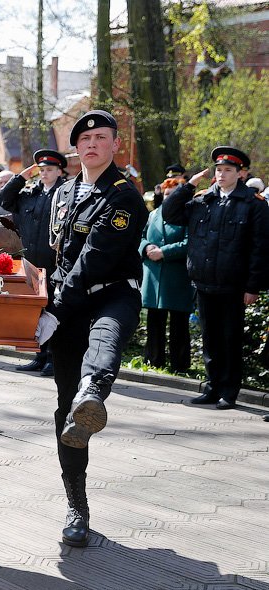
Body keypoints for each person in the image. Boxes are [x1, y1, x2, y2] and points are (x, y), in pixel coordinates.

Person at [36, 110, 148, 547]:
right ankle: (76, 505)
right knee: (66, 410)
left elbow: (93, 260)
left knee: (104, 342)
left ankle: (93, 393)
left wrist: (55, 310)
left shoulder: (124, 196)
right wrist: (33, 299)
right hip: (69, 302)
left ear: (115, 144)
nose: (92, 144)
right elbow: (54, 256)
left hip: (111, 295)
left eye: (101, 137)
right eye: (84, 139)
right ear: (75, 148)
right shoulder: (62, 192)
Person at [162, 146, 269, 410]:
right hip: (204, 282)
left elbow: (260, 248)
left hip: (234, 285)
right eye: (219, 170)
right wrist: (188, 186)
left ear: (240, 174)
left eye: (228, 170)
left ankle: (229, 392)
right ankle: (212, 387)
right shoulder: (203, 199)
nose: (221, 175)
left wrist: (253, 286)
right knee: (210, 339)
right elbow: (169, 214)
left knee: (230, 339)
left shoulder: (253, 204)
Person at [0, 149, 67, 377]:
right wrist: (20, 178)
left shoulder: (65, 195)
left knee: (53, 312)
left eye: (50, 170)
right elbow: (5, 200)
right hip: (32, 264)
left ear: (59, 171)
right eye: (42, 170)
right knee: (36, 312)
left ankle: (54, 359)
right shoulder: (30, 194)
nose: (45, 173)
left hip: (55, 265)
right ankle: (39, 355)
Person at [140, 176, 193, 373]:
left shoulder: (187, 216)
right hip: (154, 275)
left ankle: (180, 364)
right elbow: (140, 236)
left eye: (173, 194)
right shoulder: (153, 214)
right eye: (166, 194)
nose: (169, 198)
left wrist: (164, 252)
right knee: (154, 320)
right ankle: (154, 360)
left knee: (179, 322)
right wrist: (146, 247)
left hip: (176, 276)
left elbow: (189, 243)